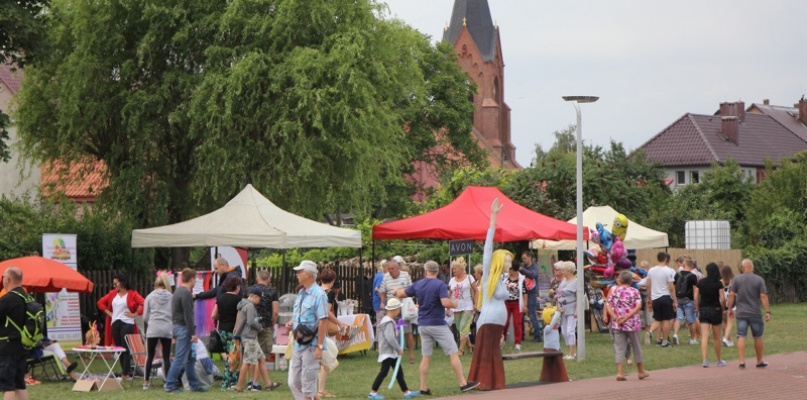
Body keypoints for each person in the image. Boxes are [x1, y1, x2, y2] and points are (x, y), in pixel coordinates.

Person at [395, 261, 479, 394]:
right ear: (438, 271)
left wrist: (396, 290)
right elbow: (445, 302)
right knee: (453, 352)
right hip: (437, 323)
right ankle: (463, 383)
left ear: (426, 271)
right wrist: (454, 304)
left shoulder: (419, 284)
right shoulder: (440, 284)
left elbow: (401, 294)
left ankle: (423, 387)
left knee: (426, 356)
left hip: (423, 324)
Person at [467, 199, 509, 391]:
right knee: (485, 354)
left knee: (494, 354)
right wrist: (493, 218)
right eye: (507, 260)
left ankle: (495, 382)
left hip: (497, 321)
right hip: (489, 319)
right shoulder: (488, 276)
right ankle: (482, 382)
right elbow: (487, 250)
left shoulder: (501, 279)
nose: (509, 263)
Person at [287, 260, 329, 400]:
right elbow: (300, 316)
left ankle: (311, 396)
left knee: (307, 384)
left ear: (308, 274)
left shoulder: (319, 294)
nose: (297, 274)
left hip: (311, 345)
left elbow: (323, 320)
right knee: (293, 382)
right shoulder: (301, 293)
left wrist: (320, 346)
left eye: (300, 271)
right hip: (298, 342)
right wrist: (292, 323)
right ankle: (314, 397)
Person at [164, 268, 208, 393]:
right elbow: (188, 315)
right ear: (192, 279)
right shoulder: (186, 294)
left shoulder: (177, 291)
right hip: (184, 328)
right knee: (180, 358)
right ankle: (170, 385)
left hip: (177, 326)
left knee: (190, 359)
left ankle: (194, 385)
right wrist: (193, 333)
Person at [368, 298, 420, 399]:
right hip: (388, 352)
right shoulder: (387, 321)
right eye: (399, 309)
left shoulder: (388, 321)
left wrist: (398, 332)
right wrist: (398, 348)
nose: (399, 311)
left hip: (391, 352)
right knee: (384, 372)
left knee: (399, 372)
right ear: (394, 310)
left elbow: (391, 335)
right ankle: (373, 392)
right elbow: (390, 338)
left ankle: (406, 392)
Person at [604, 270, 649, 381]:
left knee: (619, 348)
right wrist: (627, 316)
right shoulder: (634, 291)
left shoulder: (614, 291)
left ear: (619, 280)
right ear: (630, 281)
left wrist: (615, 317)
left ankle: (620, 372)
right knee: (636, 346)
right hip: (632, 323)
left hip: (617, 324)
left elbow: (608, 304)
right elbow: (638, 306)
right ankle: (640, 371)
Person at [97, 274, 144, 380]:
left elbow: (144, 303)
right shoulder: (112, 293)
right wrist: (109, 313)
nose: (114, 285)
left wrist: (135, 314)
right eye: (113, 283)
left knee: (125, 348)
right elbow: (100, 303)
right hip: (115, 323)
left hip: (127, 322)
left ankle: (125, 374)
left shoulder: (132, 294)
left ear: (122, 282)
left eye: (115, 283)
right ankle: (125, 373)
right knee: (119, 348)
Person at [234, 287, 280, 392]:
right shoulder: (249, 306)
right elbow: (250, 321)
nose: (259, 302)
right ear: (254, 296)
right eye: (259, 299)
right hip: (249, 336)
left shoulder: (245, 304)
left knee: (261, 358)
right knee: (247, 362)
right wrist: (259, 327)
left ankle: (269, 384)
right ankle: (239, 387)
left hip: (250, 337)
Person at [727, 259, 771, 369]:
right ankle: (759, 361)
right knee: (758, 337)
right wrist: (767, 311)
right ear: (752, 267)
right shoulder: (759, 279)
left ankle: (742, 362)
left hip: (741, 313)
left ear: (742, 268)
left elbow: (731, 294)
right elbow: (763, 296)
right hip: (755, 313)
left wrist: (729, 309)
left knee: (741, 336)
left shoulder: (737, 279)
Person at [318, 269, 349, 399]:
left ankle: (319, 389)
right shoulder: (328, 293)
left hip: (315, 328)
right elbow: (327, 311)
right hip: (323, 328)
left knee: (321, 360)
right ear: (332, 280)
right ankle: (321, 389)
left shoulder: (316, 291)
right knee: (327, 359)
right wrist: (339, 323)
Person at [0, 266, 30, 400]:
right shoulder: (27, 297)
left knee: (8, 386)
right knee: (19, 384)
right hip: (22, 346)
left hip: (7, 348)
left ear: (8, 279)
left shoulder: (7, 299)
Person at [247, 270, 280, 392]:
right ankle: (255, 384)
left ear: (257, 278)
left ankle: (250, 382)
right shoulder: (273, 291)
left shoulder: (249, 290)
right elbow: (275, 311)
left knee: (251, 355)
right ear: (269, 280)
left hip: (250, 326)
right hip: (265, 325)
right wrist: (272, 324)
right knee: (262, 356)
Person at [378, 258, 415, 364]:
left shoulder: (405, 275)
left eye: (392, 268)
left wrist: (400, 292)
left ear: (398, 268)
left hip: (403, 308)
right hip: (391, 308)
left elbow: (411, 290)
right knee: (391, 331)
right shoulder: (386, 277)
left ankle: (411, 354)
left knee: (408, 331)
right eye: (389, 269)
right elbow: (383, 291)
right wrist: (382, 302)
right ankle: (393, 353)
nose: (390, 270)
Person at [142, 272, 173, 390]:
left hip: (153, 328)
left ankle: (146, 382)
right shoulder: (171, 296)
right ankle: (167, 382)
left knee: (149, 356)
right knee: (166, 357)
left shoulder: (149, 296)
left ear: (155, 284)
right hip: (166, 328)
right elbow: (174, 313)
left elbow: (145, 316)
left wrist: (151, 322)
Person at [211, 276, 242, 389]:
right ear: (237, 286)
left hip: (222, 330)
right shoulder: (238, 300)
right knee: (233, 358)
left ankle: (232, 381)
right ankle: (226, 383)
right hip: (233, 330)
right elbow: (239, 317)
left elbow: (213, 315)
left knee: (230, 355)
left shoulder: (221, 298)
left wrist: (223, 317)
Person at [694, 262, 726, 367]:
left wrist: (697, 307)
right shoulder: (718, 283)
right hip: (715, 309)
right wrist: (722, 308)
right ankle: (719, 359)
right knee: (716, 337)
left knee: (705, 336)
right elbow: (722, 298)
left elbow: (695, 296)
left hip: (703, 309)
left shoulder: (701, 283)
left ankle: (704, 360)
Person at [646, 252, 677, 347]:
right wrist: (675, 300)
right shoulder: (668, 271)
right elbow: (671, 287)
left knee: (658, 319)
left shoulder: (651, 270)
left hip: (655, 298)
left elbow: (648, 286)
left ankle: (650, 331)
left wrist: (649, 298)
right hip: (665, 297)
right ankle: (664, 341)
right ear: (666, 259)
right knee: (667, 319)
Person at [448, 257, 476, 356]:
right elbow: (450, 294)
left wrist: (476, 303)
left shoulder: (469, 277)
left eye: (455, 269)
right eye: (453, 269)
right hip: (456, 307)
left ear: (461, 269)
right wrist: (448, 308)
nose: (453, 270)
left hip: (467, 306)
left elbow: (476, 291)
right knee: (461, 329)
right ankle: (469, 346)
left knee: (464, 327)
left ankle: (460, 350)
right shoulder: (452, 280)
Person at [554, 261, 578, 359]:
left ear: (569, 271)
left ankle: (572, 353)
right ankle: (570, 351)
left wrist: (577, 310)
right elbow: (560, 293)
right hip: (562, 309)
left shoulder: (576, 282)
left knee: (570, 331)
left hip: (571, 309)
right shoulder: (563, 280)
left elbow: (578, 297)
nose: (562, 271)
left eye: (564, 269)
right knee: (564, 331)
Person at [673, 258, 699, 346]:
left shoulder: (677, 275)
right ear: (692, 266)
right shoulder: (693, 276)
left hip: (679, 299)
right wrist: (696, 302)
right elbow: (695, 290)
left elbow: (674, 287)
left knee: (678, 318)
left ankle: (675, 334)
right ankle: (692, 339)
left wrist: (674, 300)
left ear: (683, 265)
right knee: (691, 320)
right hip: (689, 300)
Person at [502, 261, 526, 351]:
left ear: (513, 270)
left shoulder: (521, 279)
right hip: (506, 303)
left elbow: (525, 292)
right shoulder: (505, 278)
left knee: (517, 323)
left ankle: (518, 343)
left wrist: (525, 305)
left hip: (517, 303)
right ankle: (502, 339)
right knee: (505, 323)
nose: (509, 271)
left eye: (510, 269)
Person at [519, 251, 542, 342]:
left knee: (532, 315)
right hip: (523, 293)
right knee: (521, 315)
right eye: (522, 259)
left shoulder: (534, 267)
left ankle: (538, 336)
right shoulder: (523, 268)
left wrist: (522, 270)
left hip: (532, 294)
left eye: (525, 258)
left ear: (529, 258)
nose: (523, 260)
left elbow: (533, 274)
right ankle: (522, 335)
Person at [720, 264, 736, 347]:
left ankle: (730, 340)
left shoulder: (720, 282)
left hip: (722, 304)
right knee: (729, 324)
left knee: (725, 323)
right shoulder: (733, 281)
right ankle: (725, 338)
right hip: (732, 304)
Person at [373, 261, 389, 326]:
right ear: (384, 267)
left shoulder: (378, 275)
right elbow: (377, 289)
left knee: (380, 323)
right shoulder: (381, 276)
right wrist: (384, 298)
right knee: (381, 324)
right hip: (380, 304)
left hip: (378, 303)